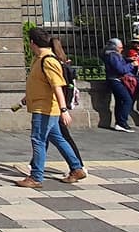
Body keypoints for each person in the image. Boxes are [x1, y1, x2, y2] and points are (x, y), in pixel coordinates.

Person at [14, 27, 86, 188]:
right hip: (41, 105)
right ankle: (76, 168)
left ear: (32, 42)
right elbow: (40, 84)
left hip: (45, 108)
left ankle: (36, 177)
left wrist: (64, 110)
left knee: (38, 139)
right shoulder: (38, 59)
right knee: (57, 138)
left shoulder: (48, 61)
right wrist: (26, 98)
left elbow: (57, 86)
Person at [50, 35, 84, 168]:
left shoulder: (55, 64)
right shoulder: (62, 62)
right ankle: (34, 163)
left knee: (63, 137)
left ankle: (78, 166)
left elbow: (59, 87)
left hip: (56, 105)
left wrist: (63, 109)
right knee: (43, 137)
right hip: (55, 105)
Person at [103, 37, 136, 132]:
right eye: (120, 48)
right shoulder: (112, 55)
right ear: (114, 47)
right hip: (115, 80)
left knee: (119, 101)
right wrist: (131, 65)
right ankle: (122, 122)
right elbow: (120, 69)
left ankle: (119, 122)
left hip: (114, 79)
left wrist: (128, 60)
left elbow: (120, 63)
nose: (121, 49)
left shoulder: (112, 55)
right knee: (127, 100)